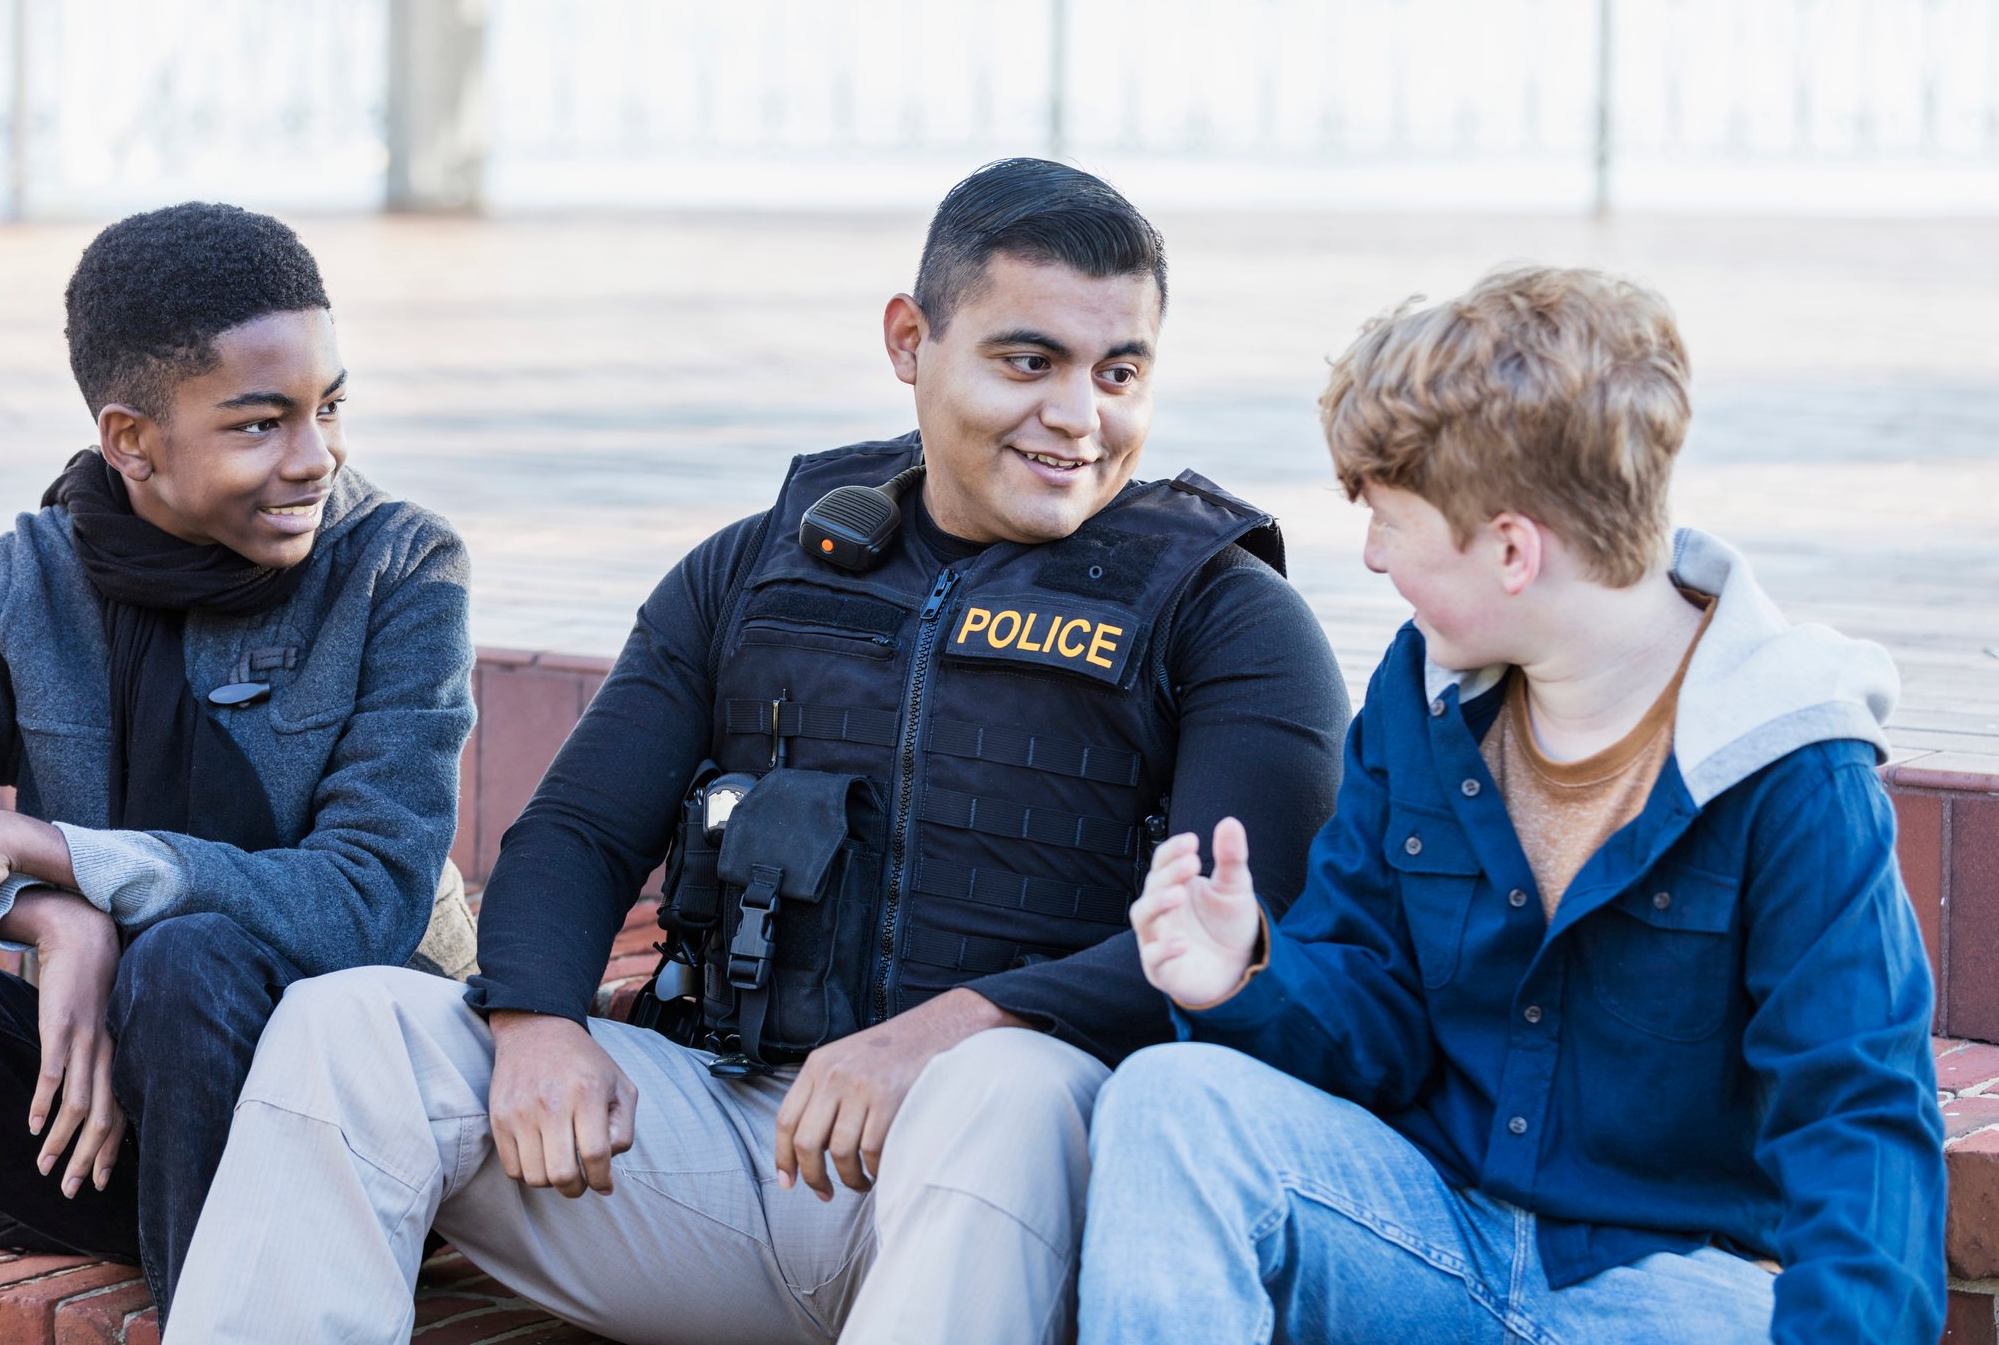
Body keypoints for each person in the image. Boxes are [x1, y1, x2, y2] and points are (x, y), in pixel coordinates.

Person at [165, 158, 1350, 1344]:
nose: (1080, 418)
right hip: (740, 1151)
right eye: (1028, 362)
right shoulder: (755, 570)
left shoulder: (1226, 614)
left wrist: (951, 1030)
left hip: (1017, 1192)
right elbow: (578, 829)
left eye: (1121, 372)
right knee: (349, 1030)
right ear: (909, 339)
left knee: (1011, 1087)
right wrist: (536, 1021)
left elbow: (1254, 934)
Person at [1082, 265, 1946, 1343]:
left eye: (1393, 522)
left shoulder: (1795, 774)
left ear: (1510, 548)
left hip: (1664, 1288)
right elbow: (1374, 1010)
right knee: (1170, 1102)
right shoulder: (1421, 694)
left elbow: (1858, 1124)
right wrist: (1251, 971)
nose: (1372, 554)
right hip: (1421, 1228)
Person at [0, 202, 477, 1334]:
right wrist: (47, 914)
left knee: (190, 957)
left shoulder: (400, 568)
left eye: (330, 406)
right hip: (101, 1112)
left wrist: (55, 848)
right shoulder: (19, 589)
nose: (317, 456)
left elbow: (368, 898)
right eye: (262, 424)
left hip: (355, 1138)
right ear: (132, 440)